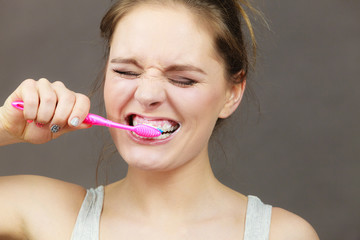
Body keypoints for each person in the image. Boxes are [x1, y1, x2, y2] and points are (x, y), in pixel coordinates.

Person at [0, 0, 319, 239]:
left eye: (183, 79)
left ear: (232, 93)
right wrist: (4, 127)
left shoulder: (284, 235)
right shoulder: (44, 214)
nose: (147, 94)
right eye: (126, 71)